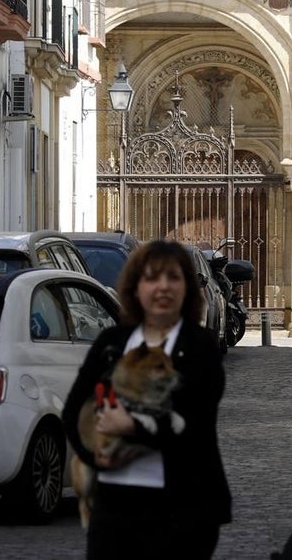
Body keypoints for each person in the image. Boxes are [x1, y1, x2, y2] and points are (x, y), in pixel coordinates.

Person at [64, 239, 231, 560]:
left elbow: (194, 422)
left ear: (187, 288)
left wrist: (129, 425)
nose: (163, 287)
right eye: (152, 278)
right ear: (135, 287)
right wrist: (93, 455)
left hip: (183, 509)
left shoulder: (200, 346)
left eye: (173, 277)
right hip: (114, 506)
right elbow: (73, 410)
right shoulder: (112, 342)